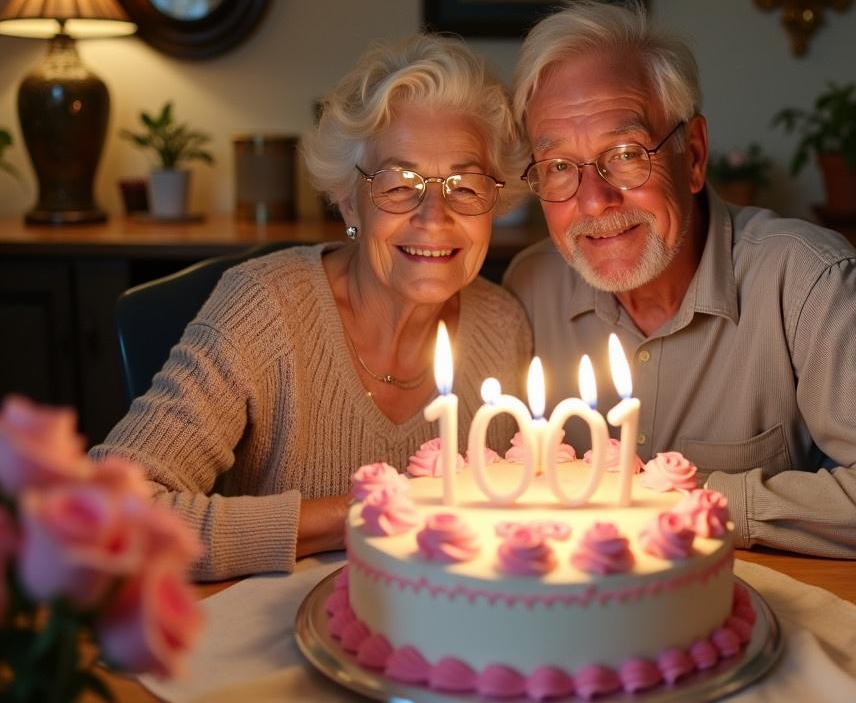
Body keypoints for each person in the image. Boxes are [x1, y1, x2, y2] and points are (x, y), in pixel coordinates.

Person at [502, 0, 856, 561]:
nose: (594, 200)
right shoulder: (530, 285)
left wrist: (697, 501)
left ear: (694, 155)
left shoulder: (806, 279)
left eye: (625, 153)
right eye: (560, 166)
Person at [91, 35, 531, 580]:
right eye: (399, 184)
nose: (434, 217)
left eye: (464, 186)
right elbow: (105, 517)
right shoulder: (265, 308)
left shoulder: (506, 325)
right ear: (350, 201)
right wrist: (354, 518)